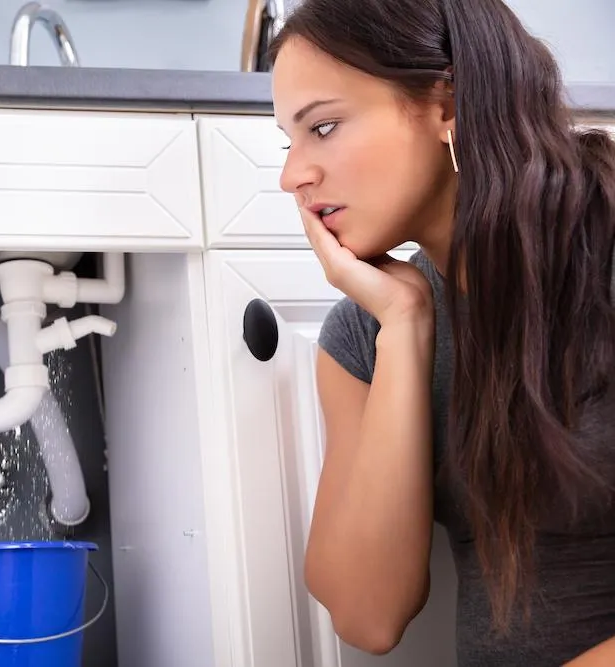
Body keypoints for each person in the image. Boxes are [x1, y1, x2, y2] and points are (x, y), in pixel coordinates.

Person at [266, 0, 615, 665]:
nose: (293, 176)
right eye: (291, 142)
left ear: (447, 103)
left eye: (325, 126)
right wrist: (404, 327)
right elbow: (368, 614)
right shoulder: (361, 337)